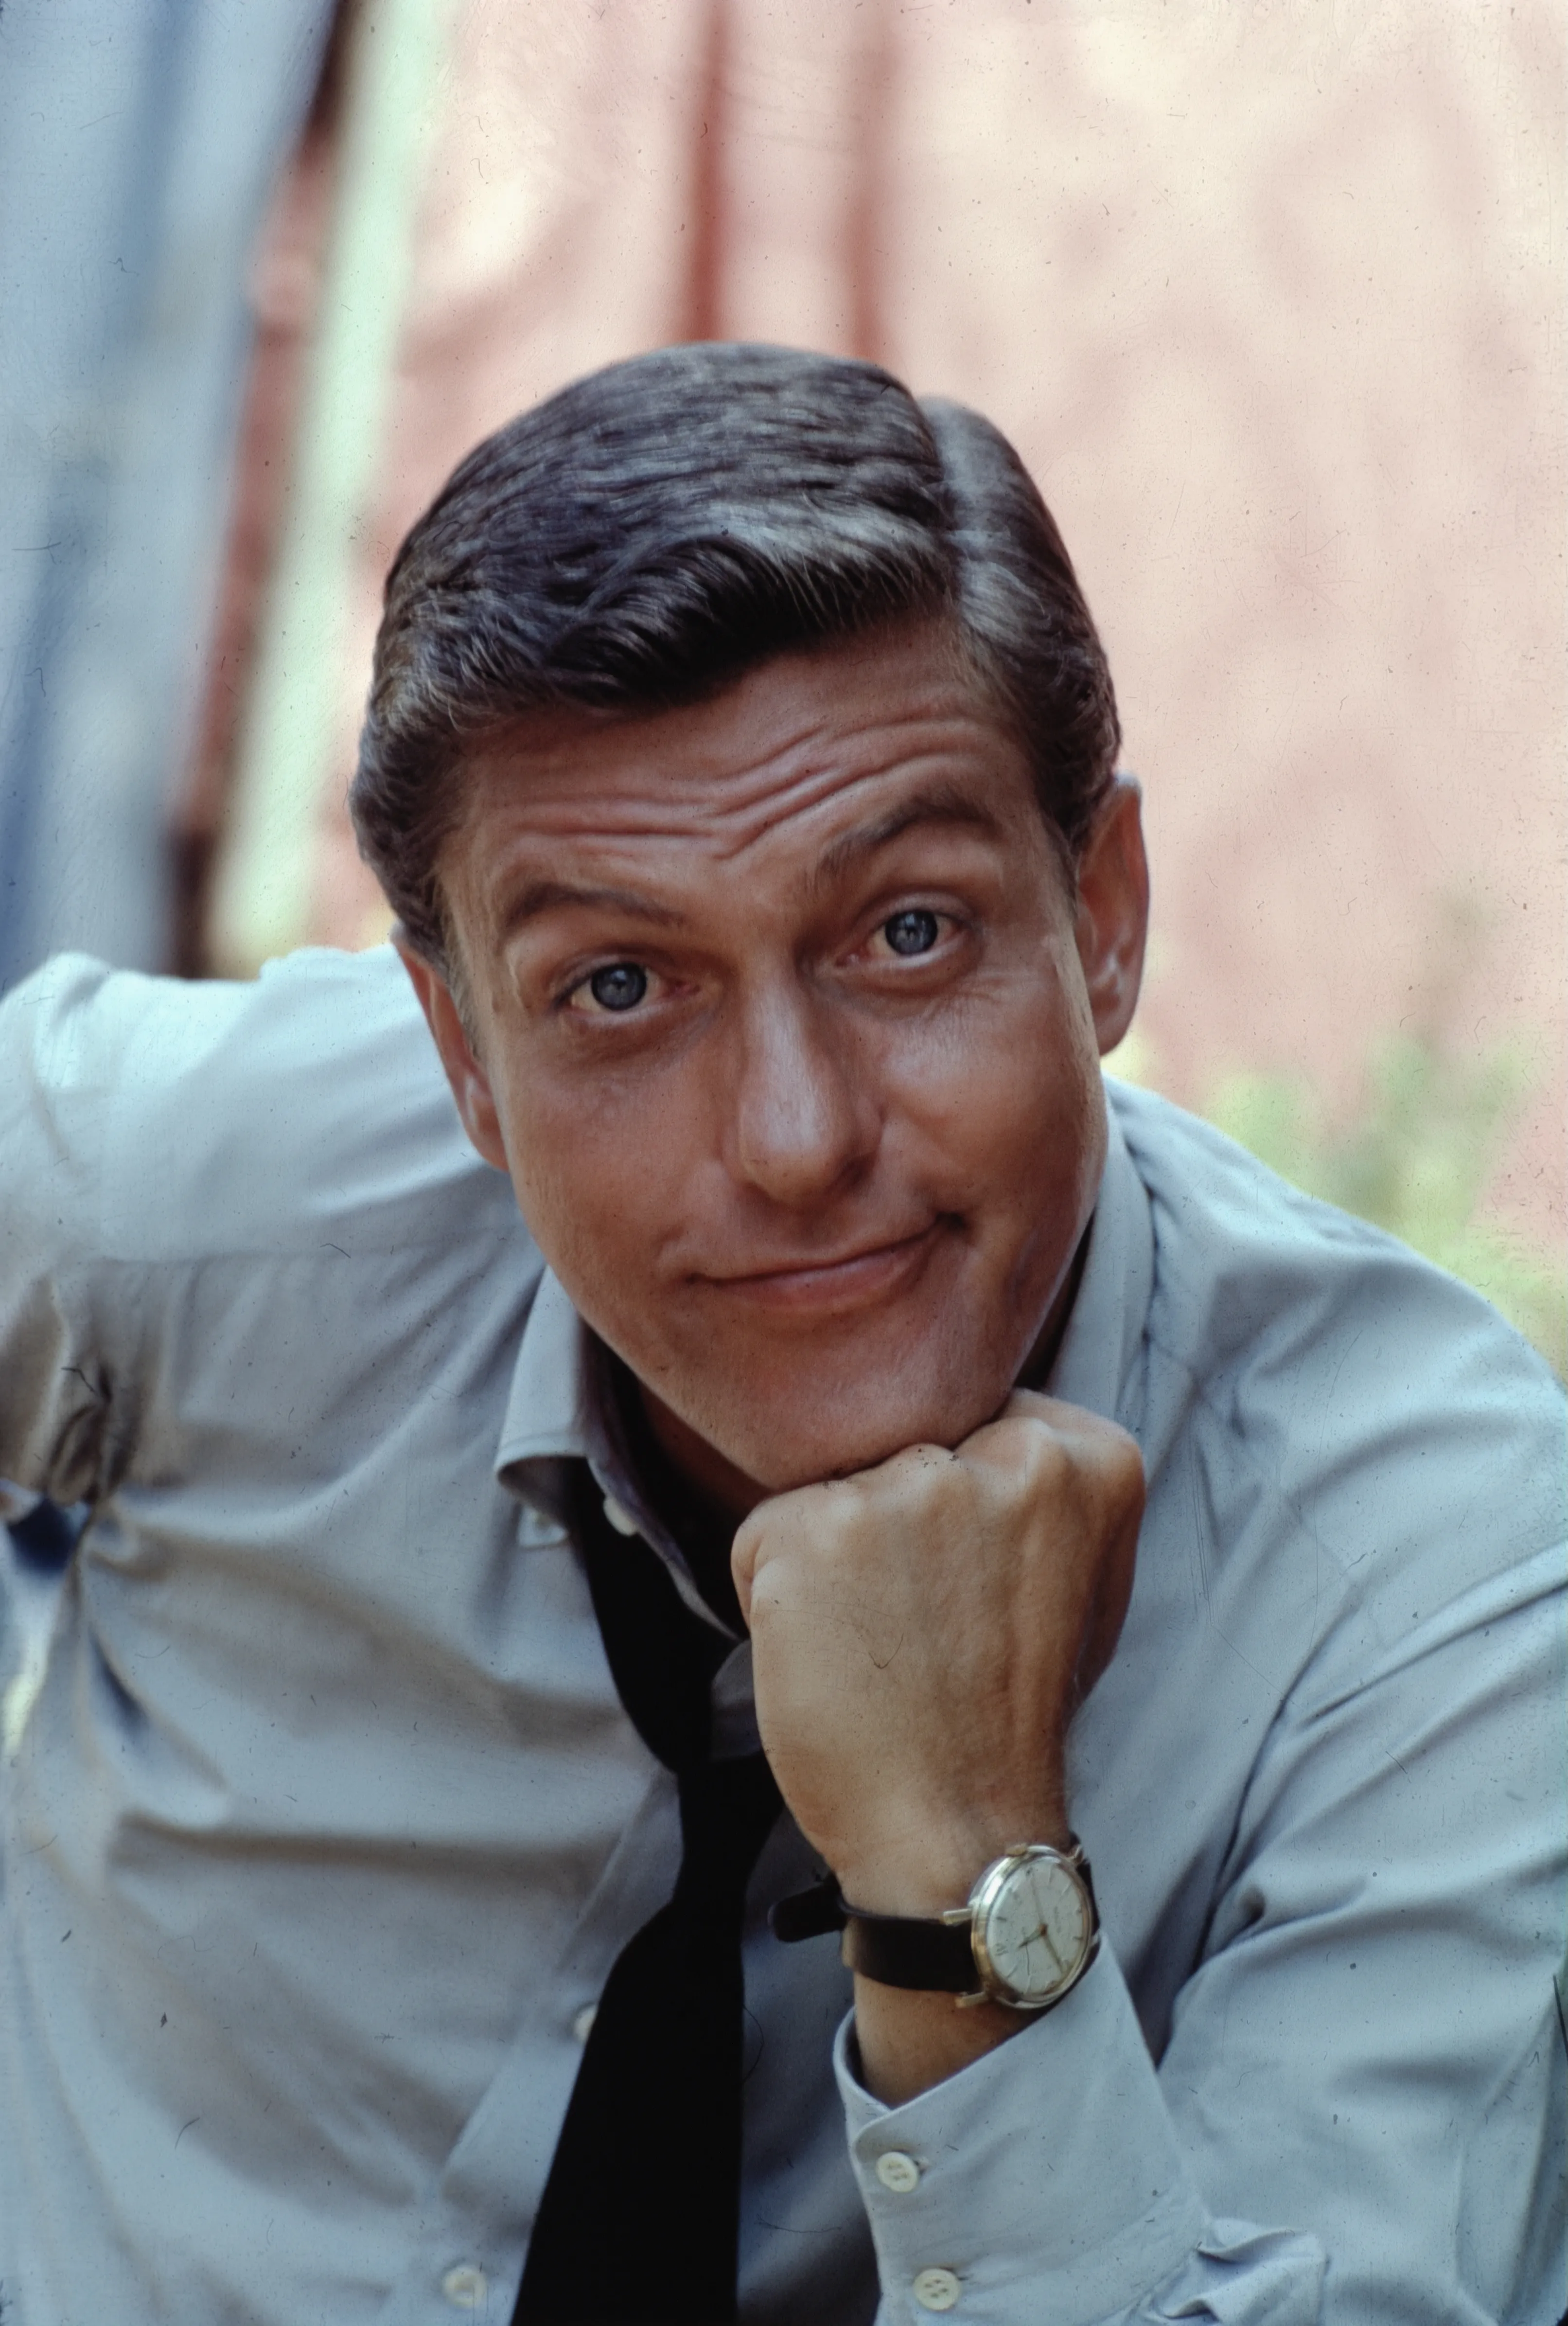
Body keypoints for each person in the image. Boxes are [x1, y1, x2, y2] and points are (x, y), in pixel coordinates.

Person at [0, 342, 1561, 2326]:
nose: (796, 1139)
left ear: (1100, 913)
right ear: (459, 1051)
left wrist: (965, 1880)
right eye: (620, 988)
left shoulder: (1422, 1567)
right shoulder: (216, 1201)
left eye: (903, 933)